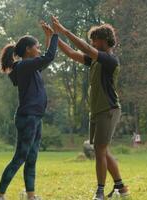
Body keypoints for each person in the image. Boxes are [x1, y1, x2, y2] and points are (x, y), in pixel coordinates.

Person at [51, 16, 130, 200]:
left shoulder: (110, 60)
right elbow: (71, 53)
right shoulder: (95, 61)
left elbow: (85, 48)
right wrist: (54, 37)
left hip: (108, 110)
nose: (92, 43)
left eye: (94, 40)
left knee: (100, 151)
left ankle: (100, 192)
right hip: (97, 111)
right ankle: (121, 187)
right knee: (101, 150)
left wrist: (64, 31)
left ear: (103, 41)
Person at [0, 21, 58, 200]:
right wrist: (55, 36)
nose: (38, 50)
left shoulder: (29, 68)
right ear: (28, 50)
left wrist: (47, 38)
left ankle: (31, 196)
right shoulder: (23, 66)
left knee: (32, 158)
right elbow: (49, 56)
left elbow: (44, 59)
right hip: (28, 117)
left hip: (35, 117)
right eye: (36, 47)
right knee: (20, 157)